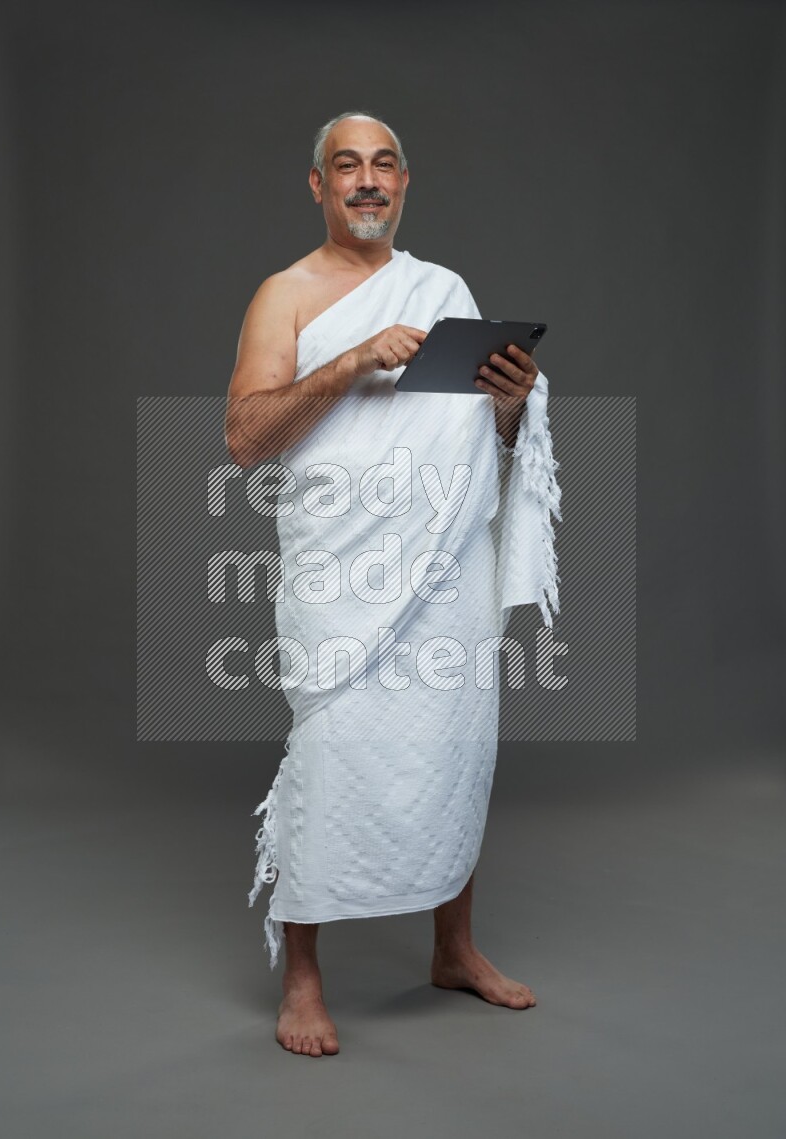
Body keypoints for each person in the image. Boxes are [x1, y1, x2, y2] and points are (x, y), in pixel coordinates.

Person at [224, 111, 561, 1058]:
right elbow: (246, 439)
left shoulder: (444, 288)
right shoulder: (284, 294)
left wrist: (508, 409)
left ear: (404, 184)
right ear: (318, 186)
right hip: (342, 570)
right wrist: (350, 360)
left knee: (452, 746)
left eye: (383, 166)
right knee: (330, 757)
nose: (367, 181)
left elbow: (474, 449)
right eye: (347, 166)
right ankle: (303, 976)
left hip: (443, 565)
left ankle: (453, 949)